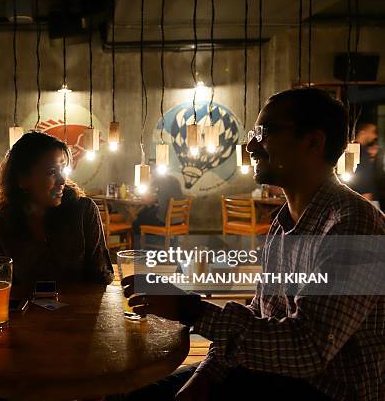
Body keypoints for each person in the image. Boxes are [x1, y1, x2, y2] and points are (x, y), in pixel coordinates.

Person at [123, 87, 384, 400]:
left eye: (265, 132)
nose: (250, 145)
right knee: (129, 393)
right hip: (273, 371)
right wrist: (207, 375)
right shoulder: (284, 222)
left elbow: (308, 349)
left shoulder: (353, 225)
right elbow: (260, 314)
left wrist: (190, 309)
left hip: (325, 390)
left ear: (313, 142)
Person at [0, 131, 114, 286]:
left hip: (81, 308)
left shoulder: (83, 211)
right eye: (52, 172)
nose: (62, 180)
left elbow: (101, 276)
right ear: (23, 179)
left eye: (62, 169)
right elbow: (4, 286)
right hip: (28, 310)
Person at [132, 168, 184, 236]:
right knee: (146, 213)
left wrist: (143, 195)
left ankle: (144, 244)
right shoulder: (175, 180)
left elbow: (149, 197)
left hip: (165, 221)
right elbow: (163, 197)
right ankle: (155, 241)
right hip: (179, 220)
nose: (152, 177)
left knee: (137, 222)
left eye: (152, 175)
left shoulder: (160, 181)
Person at [349, 122, 379, 201]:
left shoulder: (363, 150)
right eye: (372, 132)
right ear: (363, 132)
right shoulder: (353, 149)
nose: (375, 136)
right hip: (363, 196)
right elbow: (357, 173)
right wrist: (365, 192)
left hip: (364, 196)